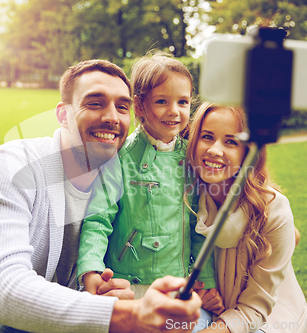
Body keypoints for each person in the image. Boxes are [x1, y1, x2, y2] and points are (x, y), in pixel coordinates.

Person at [0, 59, 202, 333]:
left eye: (121, 107)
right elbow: (3, 293)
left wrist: (104, 292)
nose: (111, 117)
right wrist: (127, 314)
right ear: (62, 114)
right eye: (94, 103)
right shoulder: (11, 164)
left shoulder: (115, 179)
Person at [76, 53, 222, 331]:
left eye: (182, 102)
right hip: (127, 286)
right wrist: (91, 268)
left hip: (175, 283)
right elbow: (98, 220)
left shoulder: (191, 159)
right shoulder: (119, 158)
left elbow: (198, 226)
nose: (174, 111)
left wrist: (207, 282)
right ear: (140, 106)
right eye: (161, 102)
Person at [184, 102, 307, 333]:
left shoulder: (274, 210)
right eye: (207, 136)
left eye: (230, 141)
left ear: (248, 152)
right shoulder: (189, 199)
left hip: (269, 319)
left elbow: (255, 309)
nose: (215, 150)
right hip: (215, 311)